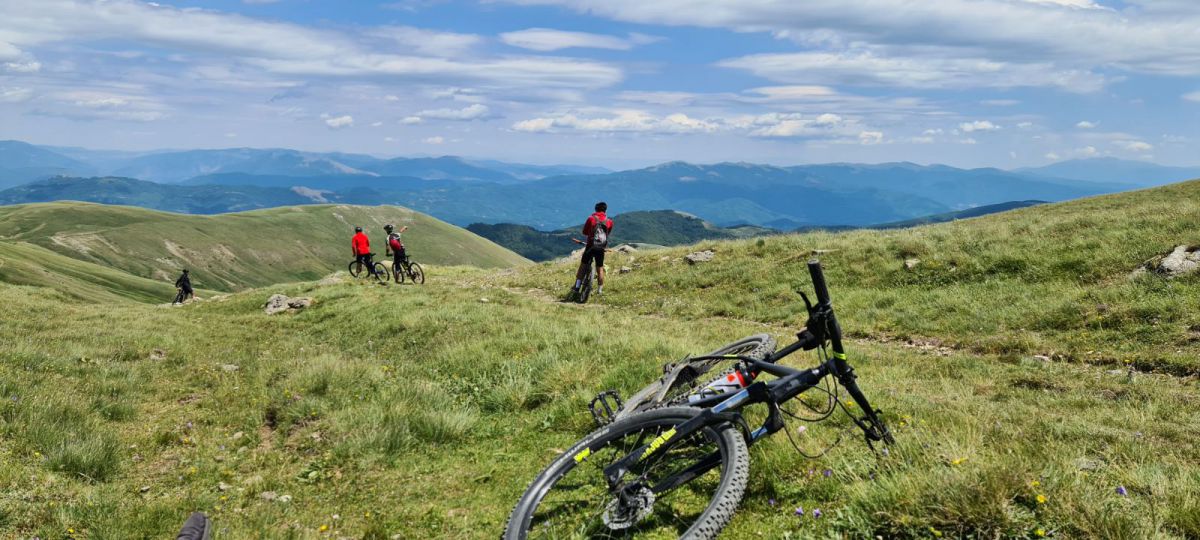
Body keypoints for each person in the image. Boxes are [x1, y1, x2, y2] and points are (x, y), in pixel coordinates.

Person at [573, 201, 613, 295]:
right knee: (600, 268)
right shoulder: (609, 221)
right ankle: (599, 290)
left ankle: (577, 287)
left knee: (583, 265)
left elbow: (584, 232)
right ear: (605, 210)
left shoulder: (591, 218)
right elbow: (607, 233)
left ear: (596, 209)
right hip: (601, 247)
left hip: (590, 246)